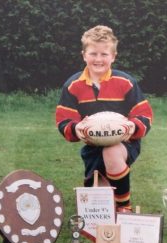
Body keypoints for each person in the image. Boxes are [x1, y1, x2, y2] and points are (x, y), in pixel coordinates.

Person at [56, 25, 153, 213]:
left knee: (112, 151)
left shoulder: (126, 82)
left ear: (113, 56)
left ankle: (124, 207)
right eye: (93, 54)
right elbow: (63, 120)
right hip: (92, 146)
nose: (98, 59)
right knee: (98, 207)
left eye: (104, 54)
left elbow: (144, 114)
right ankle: (107, 198)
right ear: (84, 55)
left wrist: (133, 127)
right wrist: (76, 129)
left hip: (125, 143)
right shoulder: (72, 85)